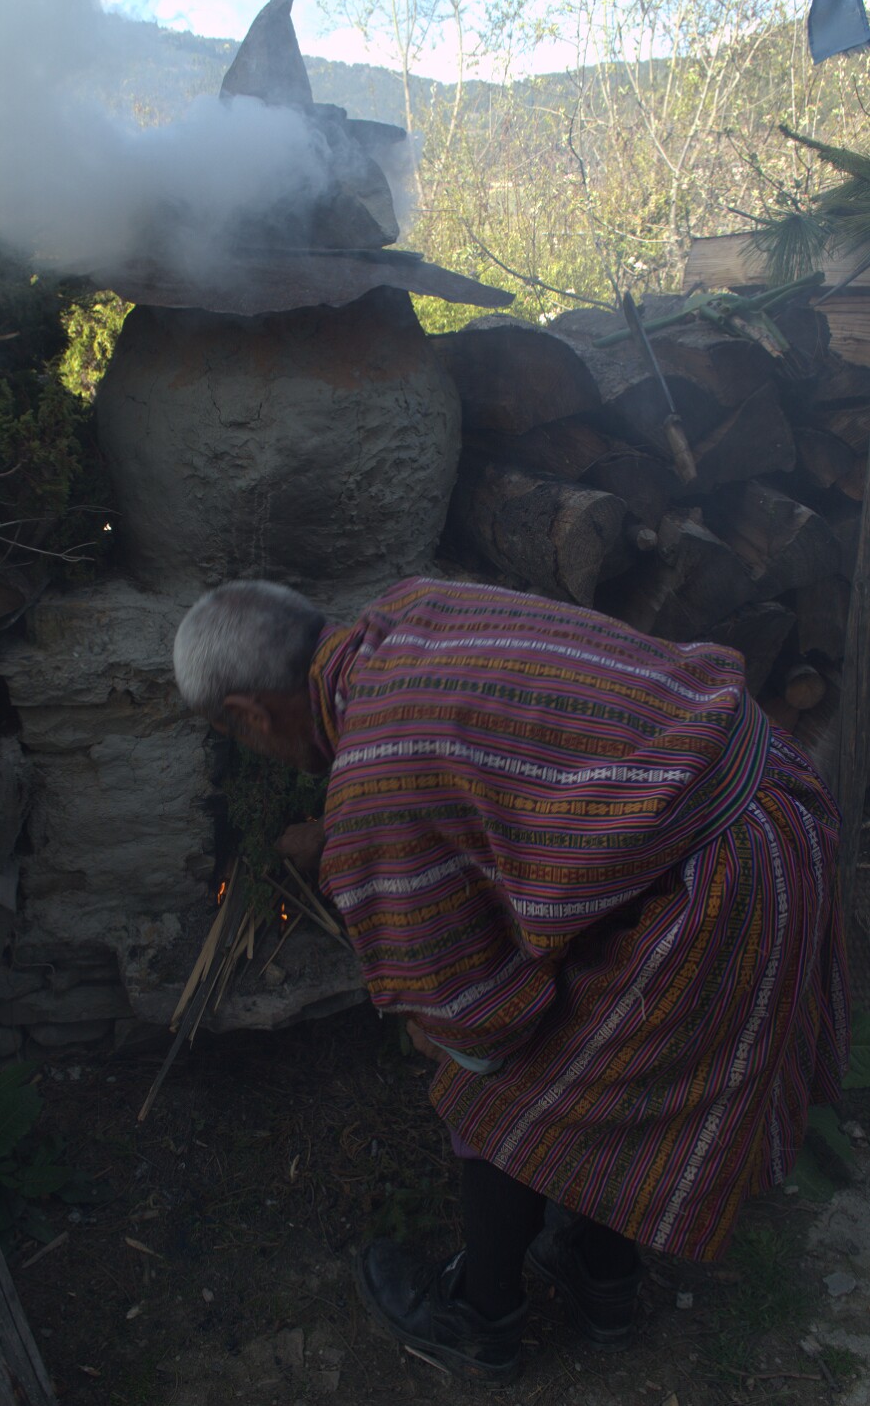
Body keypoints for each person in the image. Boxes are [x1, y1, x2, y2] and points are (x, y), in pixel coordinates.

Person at [173, 575, 850, 1385]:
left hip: (719, 883)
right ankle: (604, 1274)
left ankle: (481, 1315)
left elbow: (473, 1013)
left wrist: (452, 1030)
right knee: (605, 1064)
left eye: (240, 734)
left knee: (502, 1077)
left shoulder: (375, 780)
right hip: (764, 795)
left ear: (247, 714)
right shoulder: (412, 611)